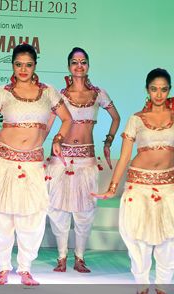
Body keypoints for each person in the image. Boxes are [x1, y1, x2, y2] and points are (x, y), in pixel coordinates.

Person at [0, 43, 72, 286]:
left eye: (28, 64)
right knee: (0, 215)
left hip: (32, 162)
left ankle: (25, 268)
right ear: (12, 65)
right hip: (3, 160)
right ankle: (3, 267)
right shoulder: (3, 92)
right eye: (18, 64)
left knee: (32, 216)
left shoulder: (48, 92)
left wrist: (57, 139)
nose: (23, 69)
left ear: (35, 65)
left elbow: (67, 119)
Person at [92, 68, 174, 294]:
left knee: (169, 242)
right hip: (139, 186)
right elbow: (125, 157)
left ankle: (161, 289)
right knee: (138, 241)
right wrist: (112, 187)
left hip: (168, 187)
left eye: (163, 89)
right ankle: (142, 288)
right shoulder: (136, 119)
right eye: (154, 89)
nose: (159, 94)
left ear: (169, 90)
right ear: (147, 90)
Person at [46, 47, 120, 273]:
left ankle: (79, 257)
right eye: (75, 62)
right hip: (62, 159)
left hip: (87, 159)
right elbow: (48, 124)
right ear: (68, 66)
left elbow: (116, 117)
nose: (79, 66)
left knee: (85, 211)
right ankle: (61, 257)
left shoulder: (99, 94)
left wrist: (108, 142)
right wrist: (41, 145)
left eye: (83, 62)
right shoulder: (59, 95)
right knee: (57, 209)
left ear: (88, 65)